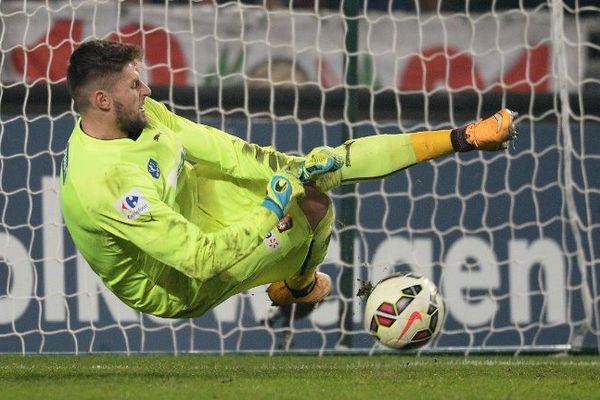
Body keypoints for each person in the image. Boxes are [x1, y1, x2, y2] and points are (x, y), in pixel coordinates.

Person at [60, 39, 517, 319]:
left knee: (322, 169)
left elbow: (224, 152)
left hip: (194, 201)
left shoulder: (142, 117)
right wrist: (272, 207)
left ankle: (466, 137)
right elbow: (198, 260)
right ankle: (298, 285)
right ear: (102, 99)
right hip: (174, 279)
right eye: (134, 86)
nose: (148, 91)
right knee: (315, 206)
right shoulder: (106, 185)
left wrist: (292, 167)